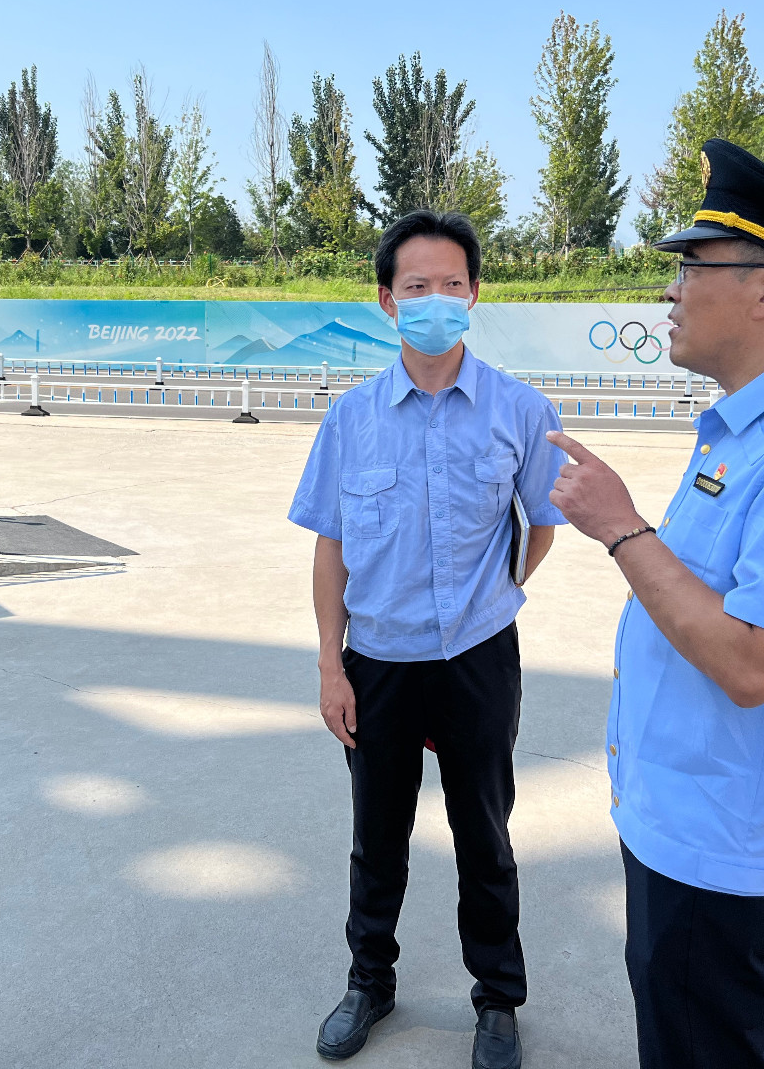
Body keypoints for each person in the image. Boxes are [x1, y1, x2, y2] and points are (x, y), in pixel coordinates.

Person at [545, 139, 764, 1069]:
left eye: (691, 267)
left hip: (724, 845)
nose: (670, 292)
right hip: (680, 820)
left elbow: (753, 665)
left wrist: (621, 527)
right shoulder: (748, 431)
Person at [288, 210, 569, 1069]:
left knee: (484, 835)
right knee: (377, 837)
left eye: (452, 284)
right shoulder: (352, 419)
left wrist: (499, 592)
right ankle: (369, 982)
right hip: (377, 661)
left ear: (475, 294)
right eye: (417, 287)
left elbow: (542, 520)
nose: (435, 300)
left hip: (478, 657)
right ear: (387, 300)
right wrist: (331, 666)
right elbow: (331, 548)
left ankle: (498, 999)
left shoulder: (520, 410)